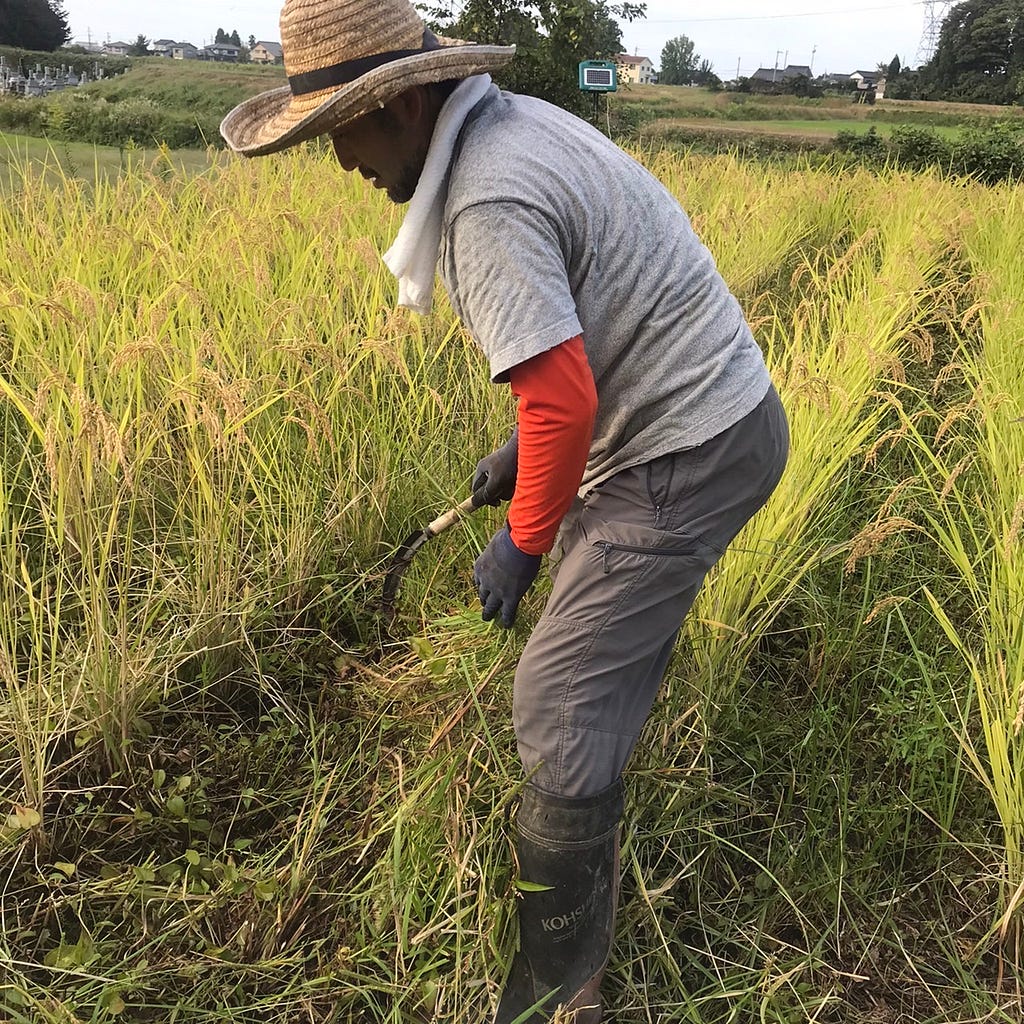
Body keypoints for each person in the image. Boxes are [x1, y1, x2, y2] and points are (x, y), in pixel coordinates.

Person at [221, 0, 789, 1020]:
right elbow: (578, 351)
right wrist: (519, 454)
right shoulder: (514, 126)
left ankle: (559, 990)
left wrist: (522, 544)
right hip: (706, 415)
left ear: (396, 102)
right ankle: (595, 803)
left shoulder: (483, 199)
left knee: (556, 694)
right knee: (592, 640)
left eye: (337, 130)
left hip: (689, 448)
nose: (338, 160)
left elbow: (566, 397)